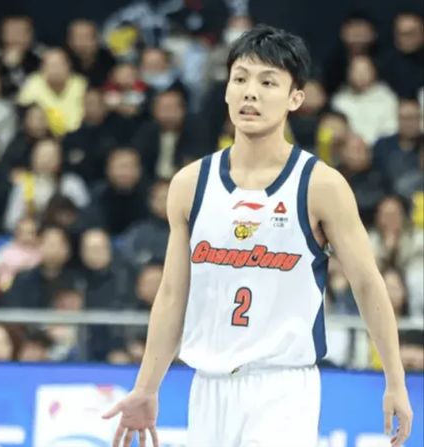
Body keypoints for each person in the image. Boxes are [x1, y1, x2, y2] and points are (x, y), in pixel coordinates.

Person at [103, 26, 412, 447]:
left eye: (268, 82)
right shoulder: (190, 184)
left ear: (295, 97)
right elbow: (174, 293)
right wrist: (146, 387)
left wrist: (395, 380)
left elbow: (367, 284)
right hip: (208, 386)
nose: (251, 92)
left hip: (283, 387)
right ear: (227, 89)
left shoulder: (320, 185)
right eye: (241, 79)